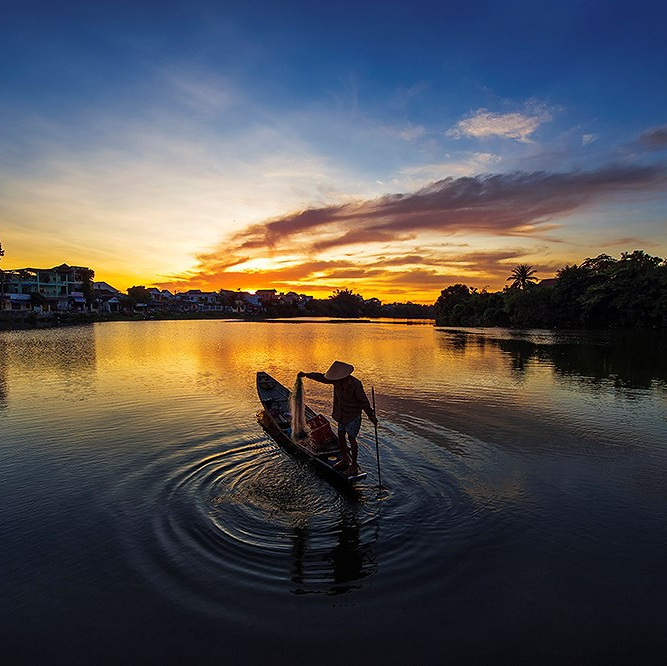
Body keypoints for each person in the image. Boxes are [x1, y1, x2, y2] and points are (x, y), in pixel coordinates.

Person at [298, 361, 377, 475]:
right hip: (341, 415)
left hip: (353, 415)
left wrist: (371, 416)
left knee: (351, 438)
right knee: (340, 435)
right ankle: (345, 460)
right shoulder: (336, 381)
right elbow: (321, 377)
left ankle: (353, 465)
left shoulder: (355, 384)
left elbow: (364, 402)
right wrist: (307, 374)